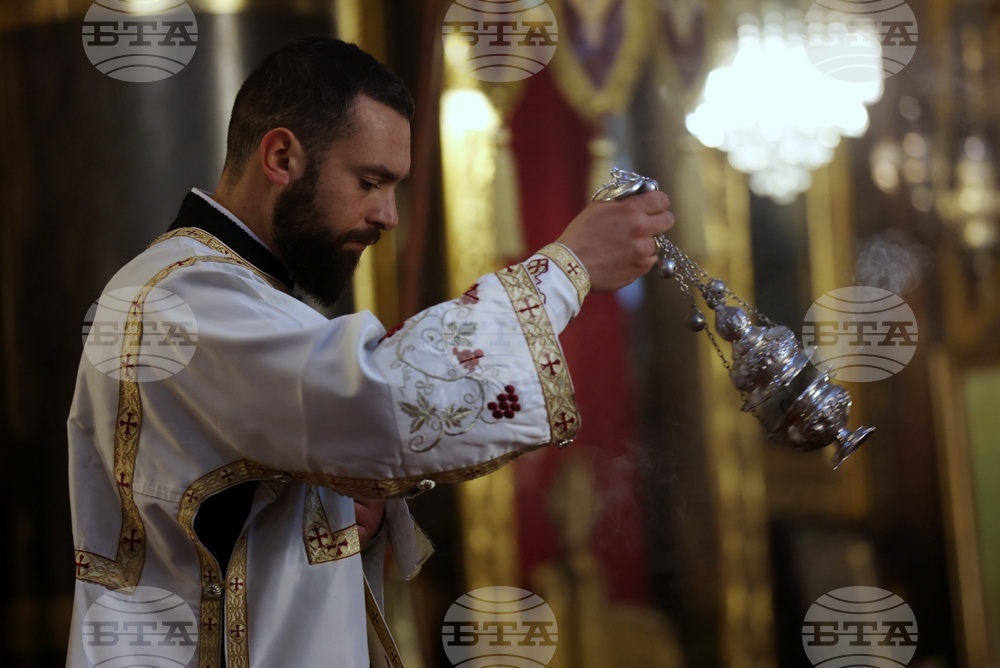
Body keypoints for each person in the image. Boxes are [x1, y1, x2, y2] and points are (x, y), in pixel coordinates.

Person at [66, 37, 674, 667]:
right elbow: (386, 397)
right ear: (281, 157)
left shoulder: (237, 293)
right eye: (370, 182)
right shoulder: (182, 299)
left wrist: (358, 497)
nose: (388, 216)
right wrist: (567, 269)